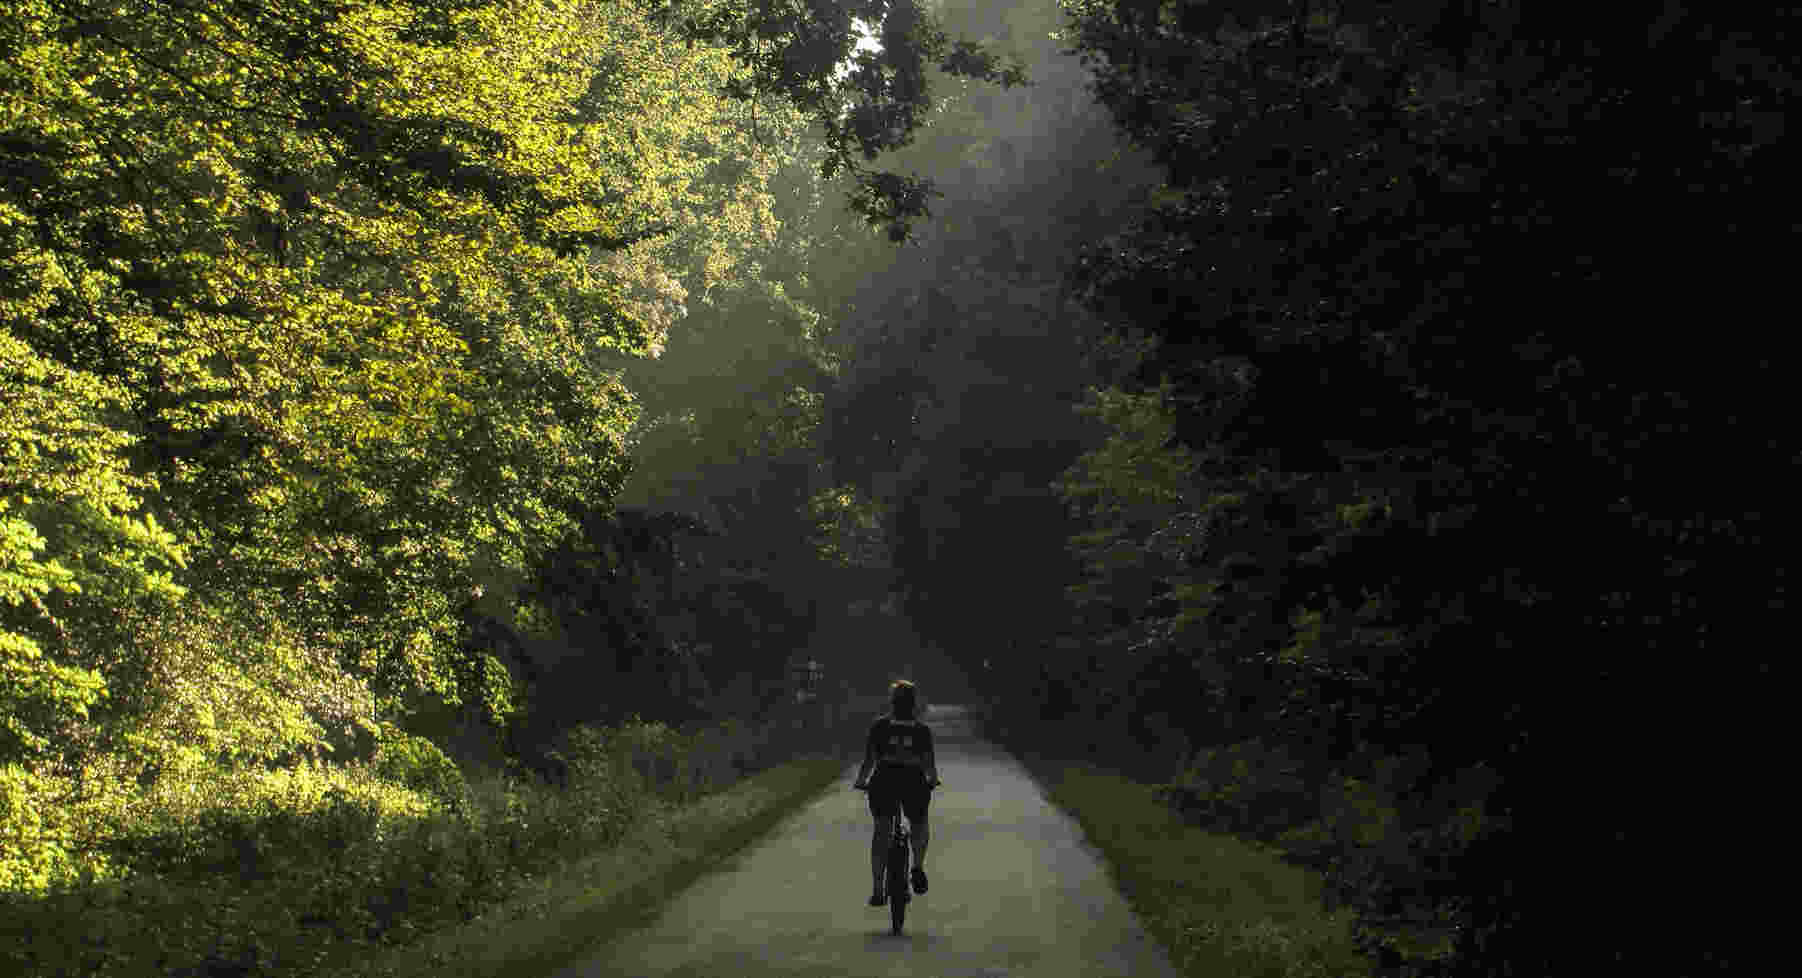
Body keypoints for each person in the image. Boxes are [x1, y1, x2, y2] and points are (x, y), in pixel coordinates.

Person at [853, 679, 941, 906]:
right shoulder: (922, 730)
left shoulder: (879, 726)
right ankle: (918, 865)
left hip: (885, 780)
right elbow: (929, 765)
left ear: (891, 702)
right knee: (919, 823)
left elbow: (869, 761)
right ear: (914, 704)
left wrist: (861, 781)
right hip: (913, 781)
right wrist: (932, 780)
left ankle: (878, 890)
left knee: (882, 831)